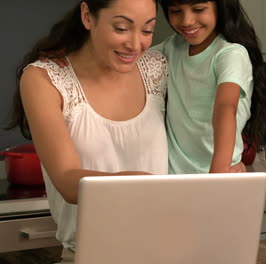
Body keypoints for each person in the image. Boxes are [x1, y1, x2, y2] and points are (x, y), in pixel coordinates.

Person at [7, 0, 167, 261]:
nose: (136, 44)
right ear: (87, 16)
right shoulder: (44, 79)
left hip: (164, 251)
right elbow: (68, 181)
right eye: (122, 28)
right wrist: (145, 183)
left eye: (147, 31)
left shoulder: (157, 68)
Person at [153, 0, 266, 174]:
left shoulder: (230, 54)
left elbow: (226, 108)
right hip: (174, 178)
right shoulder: (171, 47)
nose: (186, 20)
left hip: (218, 175)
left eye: (199, 9)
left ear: (222, 7)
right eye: (176, 11)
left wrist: (219, 173)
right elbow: (134, 59)